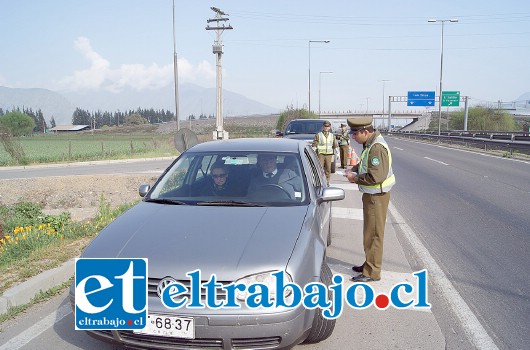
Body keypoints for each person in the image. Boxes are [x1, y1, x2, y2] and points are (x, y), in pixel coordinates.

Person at [345, 116, 396, 283]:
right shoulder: (370, 144)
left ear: (365, 132)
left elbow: (375, 176)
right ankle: (369, 263)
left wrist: (355, 178)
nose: (353, 137)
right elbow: (366, 165)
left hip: (376, 197)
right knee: (369, 233)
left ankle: (372, 271)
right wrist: (355, 168)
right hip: (372, 196)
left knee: (373, 235)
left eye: (355, 134)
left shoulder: (376, 148)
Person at [312, 120, 338, 185]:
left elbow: (335, 145)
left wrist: (337, 153)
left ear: (329, 127)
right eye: (325, 126)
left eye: (328, 126)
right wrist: (313, 151)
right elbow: (315, 144)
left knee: (328, 169)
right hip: (321, 154)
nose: (326, 128)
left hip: (329, 154)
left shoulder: (332, 136)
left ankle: (327, 181)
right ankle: (320, 181)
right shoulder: (318, 135)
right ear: (323, 127)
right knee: (320, 168)